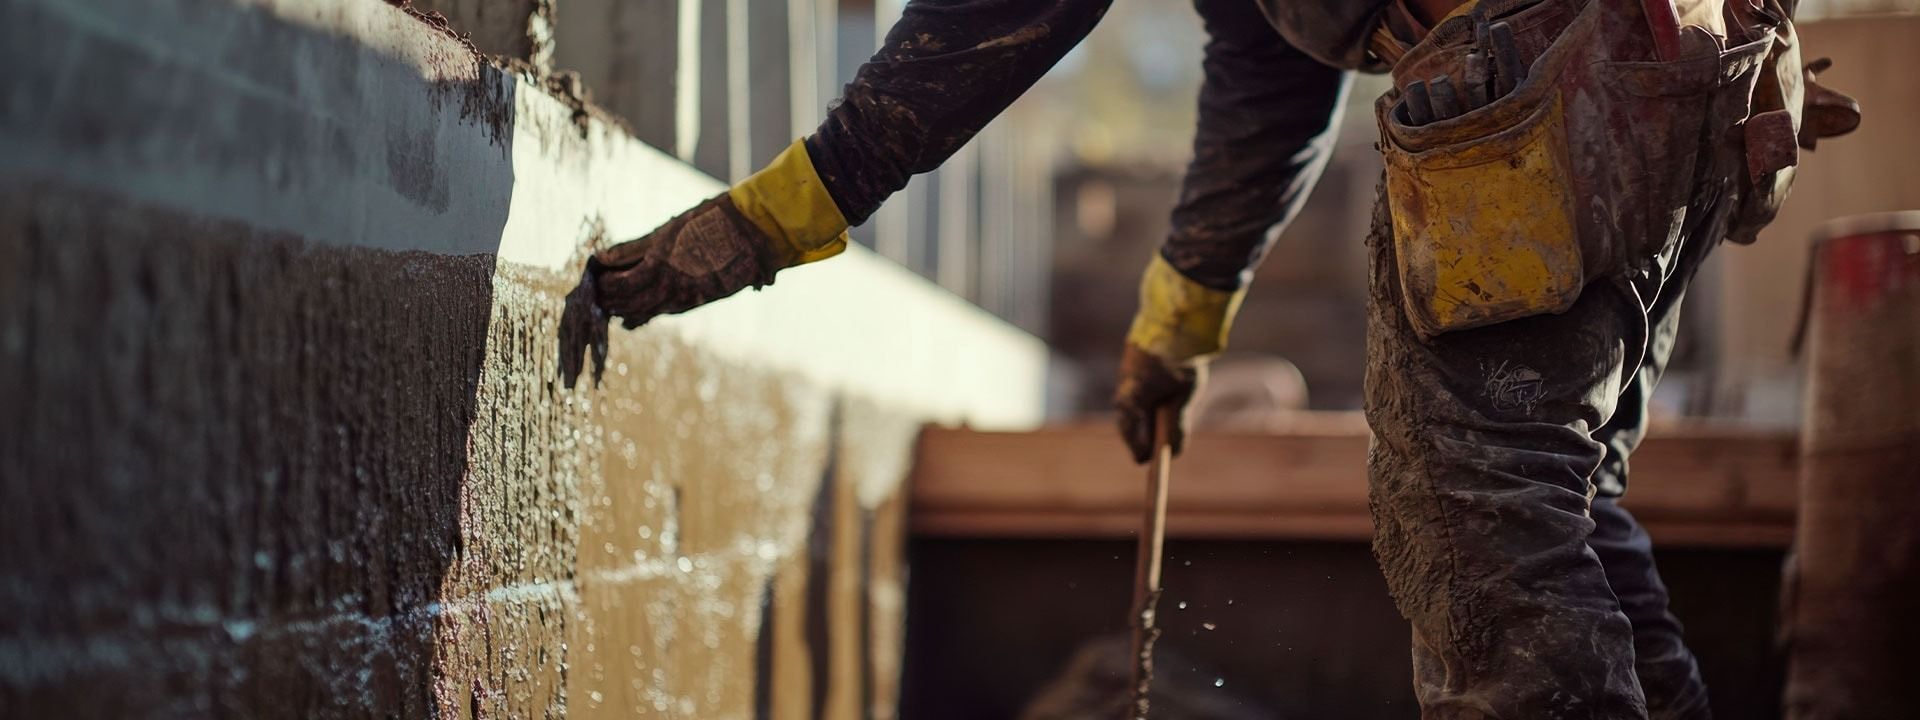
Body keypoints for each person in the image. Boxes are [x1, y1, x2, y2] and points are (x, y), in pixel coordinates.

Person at [558, 1, 1856, 717]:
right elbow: (1271, 71)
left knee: (1487, 545)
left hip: (1543, 71)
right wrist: (1176, 325)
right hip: (1675, 73)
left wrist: (780, 213)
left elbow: (998, 18)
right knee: (1559, 509)